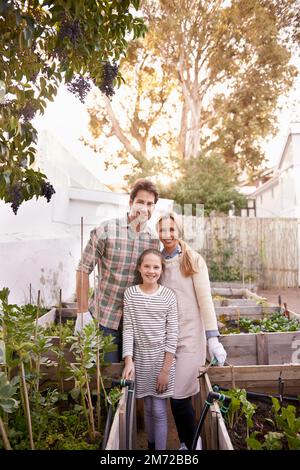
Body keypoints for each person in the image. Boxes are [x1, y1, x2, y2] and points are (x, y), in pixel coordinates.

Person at [157, 212, 227, 450]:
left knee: (179, 396)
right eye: (162, 230)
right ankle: (188, 443)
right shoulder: (158, 261)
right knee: (174, 397)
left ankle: (193, 445)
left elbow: (205, 301)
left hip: (190, 339)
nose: (167, 235)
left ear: (179, 231)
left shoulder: (193, 260)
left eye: (171, 229)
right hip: (167, 341)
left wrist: (213, 339)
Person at [75, 179, 160, 362]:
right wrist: (82, 313)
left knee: (131, 380)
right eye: (140, 202)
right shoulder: (106, 230)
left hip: (136, 322)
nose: (144, 208)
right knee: (107, 378)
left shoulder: (153, 240)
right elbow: (83, 269)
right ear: (131, 203)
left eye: (150, 204)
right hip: (106, 317)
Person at [122, 248, 178, 451]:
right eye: (147, 266)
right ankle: (151, 446)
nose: (151, 271)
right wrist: (129, 360)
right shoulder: (130, 294)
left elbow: (172, 335)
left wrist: (165, 370)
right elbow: (128, 330)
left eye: (156, 267)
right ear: (139, 268)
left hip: (163, 360)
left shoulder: (168, 296)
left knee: (159, 409)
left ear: (162, 270)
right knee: (146, 405)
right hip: (140, 359)